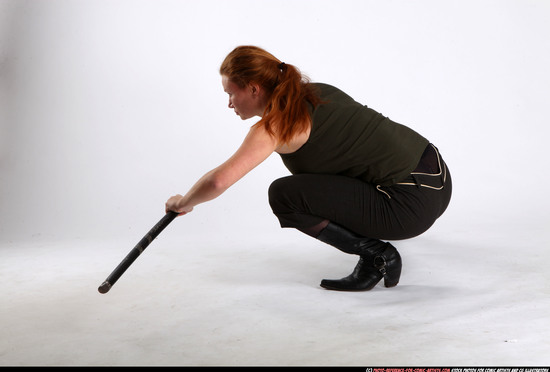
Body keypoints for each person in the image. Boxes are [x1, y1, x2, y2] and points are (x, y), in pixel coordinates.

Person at [165, 45, 452, 292]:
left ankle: (376, 256)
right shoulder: (316, 91)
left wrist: (184, 201)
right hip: (438, 176)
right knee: (314, 182)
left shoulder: (274, 127)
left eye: (231, 93)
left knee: (284, 195)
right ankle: (379, 247)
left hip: (409, 207)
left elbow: (219, 182)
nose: (229, 103)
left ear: (253, 88)